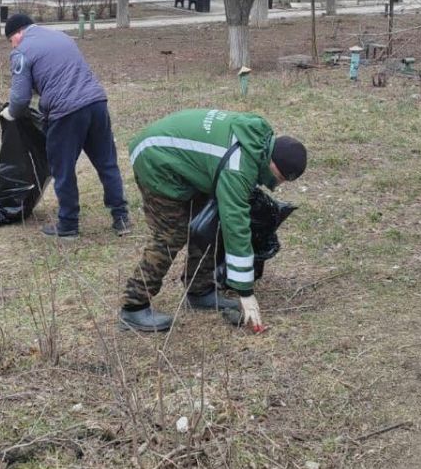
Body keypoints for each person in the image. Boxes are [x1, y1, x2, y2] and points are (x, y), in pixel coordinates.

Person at [118, 108, 307, 332]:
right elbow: (235, 223)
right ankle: (133, 305)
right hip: (155, 158)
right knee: (171, 234)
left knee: (208, 222)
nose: (278, 184)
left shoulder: (257, 141)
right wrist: (245, 293)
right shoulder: (238, 167)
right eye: (280, 178)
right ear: (273, 163)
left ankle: (200, 290)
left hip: (184, 159)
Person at [3, 13, 130, 238]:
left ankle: (68, 224)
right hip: (97, 102)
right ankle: (121, 217)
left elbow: (21, 99)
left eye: (10, 40)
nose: (11, 45)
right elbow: (57, 72)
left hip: (67, 112)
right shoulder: (61, 37)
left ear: (18, 33)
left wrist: (11, 114)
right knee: (107, 163)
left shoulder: (21, 51)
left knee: (62, 168)